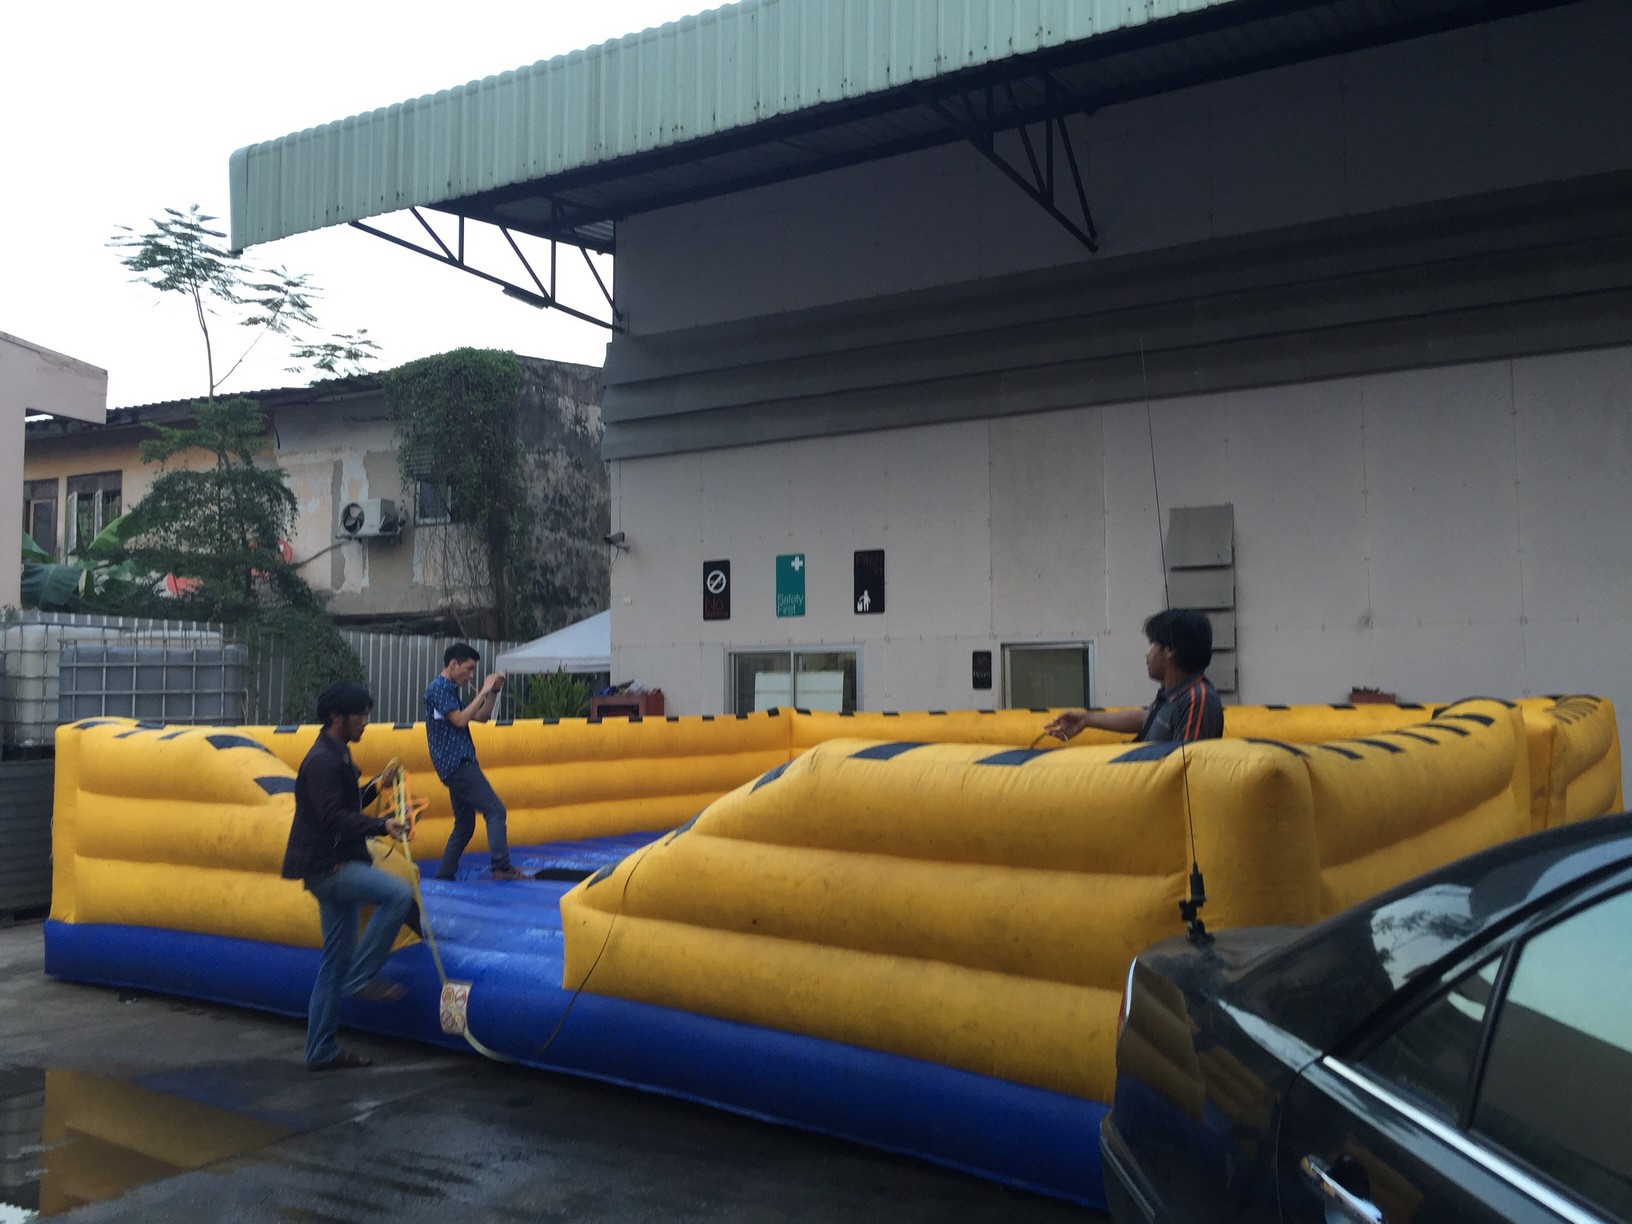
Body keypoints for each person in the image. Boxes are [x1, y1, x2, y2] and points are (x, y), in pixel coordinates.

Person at [281, 681, 414, 1072]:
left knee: (334, 962)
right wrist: (381, 825)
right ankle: (363, 976)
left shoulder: (335, 753)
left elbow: (345, 804)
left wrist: (376, 786)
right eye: (360, 715)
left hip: (331, 863)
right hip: (330, 867)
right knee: (398, 895)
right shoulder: (323, 760)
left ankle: (321, 1049)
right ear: (336, 717)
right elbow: (331, 816)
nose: (365, 722)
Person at [1044, 608, 1224, 745]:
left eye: (1152, 644)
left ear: (1170, 650)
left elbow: (1188, 763)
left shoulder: (1197, 699)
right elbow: (1148, 719)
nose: (1147, 653)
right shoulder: (1172, 695)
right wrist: (1086, 719)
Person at [424, 642, 521, 881]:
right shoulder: (438, 688)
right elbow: (460, 720)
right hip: (457, 763)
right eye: (468, 669)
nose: (470, 676)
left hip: (455, 764)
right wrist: (482, 690)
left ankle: (444, 874)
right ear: (453, 664)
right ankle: (501, 866)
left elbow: (482, 717)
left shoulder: (449, 690)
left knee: (465, 825)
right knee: (495, 809)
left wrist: (493, 692)